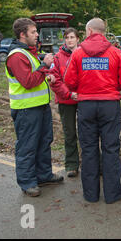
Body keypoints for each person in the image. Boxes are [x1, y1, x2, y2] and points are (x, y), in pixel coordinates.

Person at [64, 17, 121, 204]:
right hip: (109, 105)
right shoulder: (116, 53)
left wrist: (83, 88)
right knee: (111, 149)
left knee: (88, 149)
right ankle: (113, 194)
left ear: (88, 32)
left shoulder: (77, 54)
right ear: (103, 32)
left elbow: (69, 81)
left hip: (86, 106)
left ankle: (91, 194)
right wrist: (113, 87)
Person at [6, 18, 64, 197]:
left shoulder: (28, 53)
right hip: (26, 109)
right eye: (33, 32)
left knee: (44, 141)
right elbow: (28, 82)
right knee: (27, 146)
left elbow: (34, 77)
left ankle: (43, 175)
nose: (37, 34)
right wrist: (45, 65)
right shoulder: (17, 55)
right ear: (23, 35)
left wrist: (46, 76)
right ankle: (28, 182)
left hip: (39, 107)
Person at [47, 28, 80, 178]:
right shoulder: (58, 57)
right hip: (66, 100)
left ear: (78, 39)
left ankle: (92, 163)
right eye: (67, 37)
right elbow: (55, 80)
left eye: (72, 37)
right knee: (70, 133)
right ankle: (72, 165)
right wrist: (68, 94)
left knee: (88, 133)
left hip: (83, 99)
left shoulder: (85, 55)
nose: (69, 40)